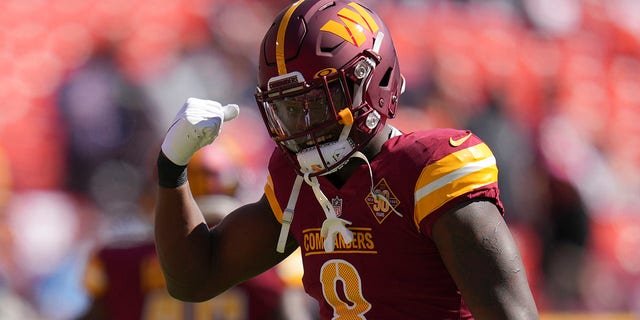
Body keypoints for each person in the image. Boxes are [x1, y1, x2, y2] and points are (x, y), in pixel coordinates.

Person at [154, 0, 539, 319]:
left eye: (318, 103)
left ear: (372, 82)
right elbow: (195, 279)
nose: (305, 126)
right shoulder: (298, 183)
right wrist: (172, 167)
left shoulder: (429, 169)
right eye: (290, 110)